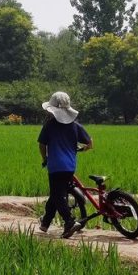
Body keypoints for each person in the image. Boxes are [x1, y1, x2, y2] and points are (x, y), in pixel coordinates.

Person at [37, 91, 92, 239]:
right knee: (57, 194)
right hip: (70, 166)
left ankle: (69, 222)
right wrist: (82, 149)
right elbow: (89, 143)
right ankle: (45, 223)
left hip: (55, 166)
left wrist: (45, 158)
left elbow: (42, 144)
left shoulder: (49, 125)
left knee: (57, 195)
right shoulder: (75, 126)